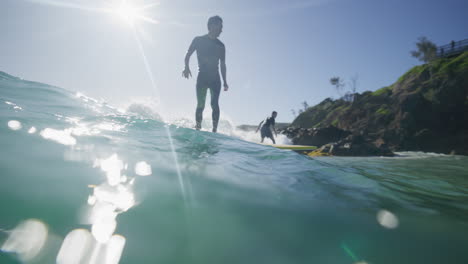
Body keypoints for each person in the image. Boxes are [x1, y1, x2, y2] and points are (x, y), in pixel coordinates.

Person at [182, 15, 229, 133]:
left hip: (215, 79)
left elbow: (223, 65)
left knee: (214, 104)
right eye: (220, 26)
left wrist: (225, 81)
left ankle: (214, 131)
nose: (221, 29)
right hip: (202, 78)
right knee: (200, 104)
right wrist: (186, 67)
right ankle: (198, 127)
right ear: (211, 26)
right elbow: (188, 54)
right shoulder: (198, 40)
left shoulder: (221, 46)